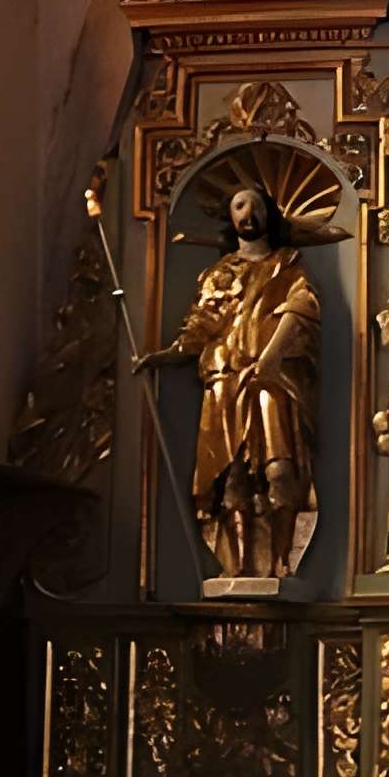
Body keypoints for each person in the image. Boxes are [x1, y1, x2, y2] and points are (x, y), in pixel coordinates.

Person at [140, 183, 319, 578]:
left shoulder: (285, 264)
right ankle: (238, 567)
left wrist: (271, 357)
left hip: (270, 382)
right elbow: (203, 323)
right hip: (225, 379)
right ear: (231, 217)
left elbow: (303, 308)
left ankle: (280, 563)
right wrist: (167, 355)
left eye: (255, 206)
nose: (248, 213)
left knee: (279, 471)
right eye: (240, 206)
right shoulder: (219, 273)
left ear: (268, 214)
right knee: (233, 475)